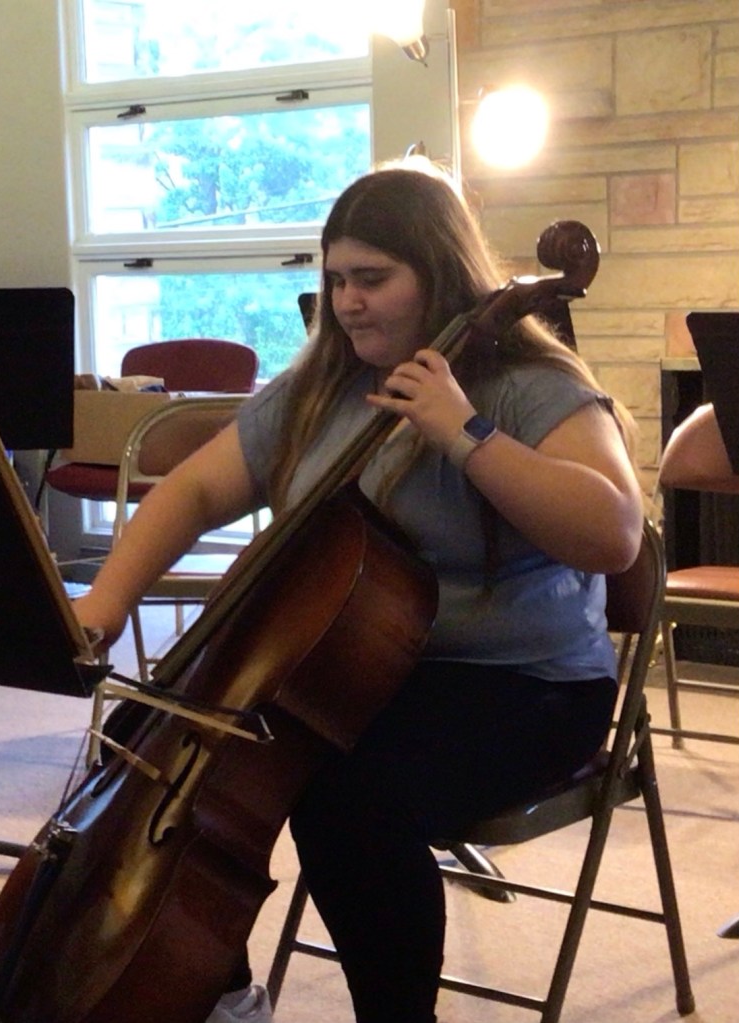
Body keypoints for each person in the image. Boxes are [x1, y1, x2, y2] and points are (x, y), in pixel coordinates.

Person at [74, 158, 644, 1023]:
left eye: (372, 278)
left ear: (439, 273)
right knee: (155, 745)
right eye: (336, 277)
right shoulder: (321, 388)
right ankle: (217, 995)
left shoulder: (533, 386)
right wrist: (104, 605)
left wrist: (464, 433)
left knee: (346, 796)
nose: (346, 302)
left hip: (524, 684)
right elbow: (194, 490)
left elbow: (611, 534)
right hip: (356, 673)